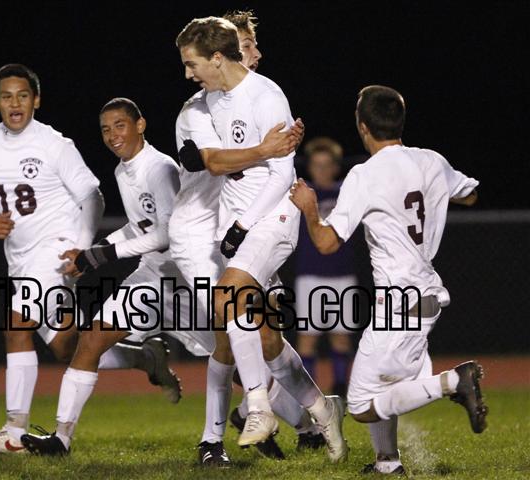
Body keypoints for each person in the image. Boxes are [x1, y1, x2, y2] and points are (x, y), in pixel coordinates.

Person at [0, 66, 178, 455]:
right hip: (19, 260)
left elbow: (92, 196)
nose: (15, 103)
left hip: (54, 251)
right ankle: (145, 358)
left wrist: (80, 248)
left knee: (15, 325)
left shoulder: (54, 144)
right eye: (7, 96)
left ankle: (14, 432)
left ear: (36, 100)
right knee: (68, 347)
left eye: (23, 95)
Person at [290, 85, 487, 475]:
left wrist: (310, 209)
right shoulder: (430, 160)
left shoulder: (365, 175)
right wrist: (433, 193)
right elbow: (471, 195)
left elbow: (326, 242)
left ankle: (454, 381)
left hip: (398, 303)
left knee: (361, 406)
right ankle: (387, 463)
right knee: (382, 386)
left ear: (362, 126)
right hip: (424, 296)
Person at [176, 17, 348, 463]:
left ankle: (257, 409)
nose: (188, 74)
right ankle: (321, 409)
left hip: (271, 218)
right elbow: (213, 160)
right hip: (233, 224)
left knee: (227, 295)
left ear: (216, 57)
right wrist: (262, 150)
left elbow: (280, 175)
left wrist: (243, 224)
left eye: (192, 64)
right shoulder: (204, 104)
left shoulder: (267, 95)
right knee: (266, 339)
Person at [20, 98, 216, 456]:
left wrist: (99, 255)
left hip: (187, 281)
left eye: (120, 125)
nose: (112, 135)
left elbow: (166, 234)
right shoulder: (123, 170)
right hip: (152, 277)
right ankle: (61, 439)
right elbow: (140, 227)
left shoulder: (159, 168)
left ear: (140, 125)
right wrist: (93, 251)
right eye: (105, 129)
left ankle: (306, 423)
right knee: (92, 339)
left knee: (235, 362)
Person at [295, 137, 357, 398]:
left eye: (327, 164)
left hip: (342, 274)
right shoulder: (302, 195)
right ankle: (309, 393)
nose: (322, 170)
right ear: (309, 167)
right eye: (316, 165)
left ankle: (340, 388)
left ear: (336, 167)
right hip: (310, 275)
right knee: (307, 338)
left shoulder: (347, 193)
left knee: (341, 336)